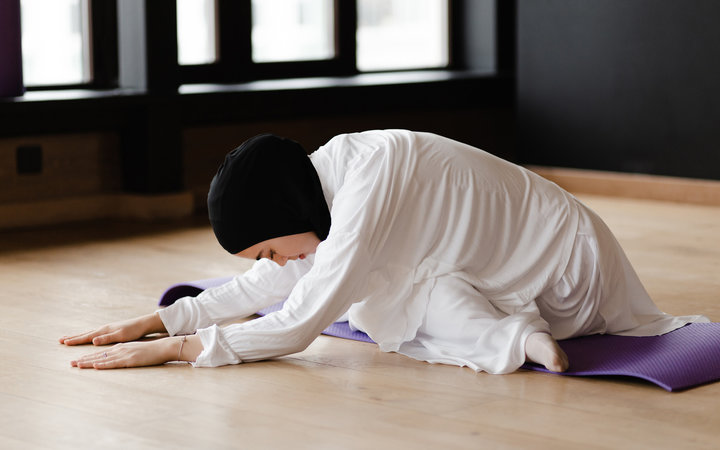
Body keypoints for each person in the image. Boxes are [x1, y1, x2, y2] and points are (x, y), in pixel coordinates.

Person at [60, 130, 708, 373]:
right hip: (525, 279)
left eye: (267, 249)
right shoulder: (330, 175)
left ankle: (514, 334)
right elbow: (276, 286)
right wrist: (166, 317)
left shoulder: (369, 187)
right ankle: (516, 340)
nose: (275, 263)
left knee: (386, 298)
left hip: (568, 268)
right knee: (415, 287)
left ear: (278, 217)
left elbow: (298, 322)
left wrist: (179, 349)